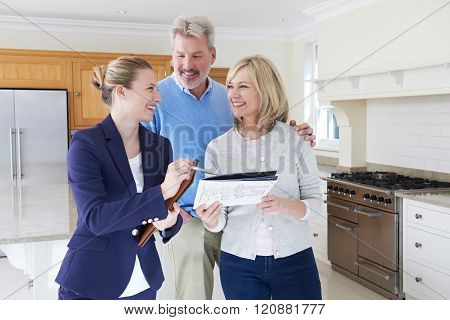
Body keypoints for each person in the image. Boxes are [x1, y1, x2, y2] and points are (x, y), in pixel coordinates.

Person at [142, 15, 317, 300]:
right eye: (180, 55)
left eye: (197, 55)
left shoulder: (229, 96)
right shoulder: (156, 98)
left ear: (212, 55)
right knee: (195, 301)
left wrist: (299, 133)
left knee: (242, 296)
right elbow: (143, 166)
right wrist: (171, 209)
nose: (187, 65)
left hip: (239, 217)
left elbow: (269, 133)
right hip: (188, 218)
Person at [56, 56, 192, 300]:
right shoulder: (86, 145)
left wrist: (170, 221)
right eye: (150, 89)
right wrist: (161, 192)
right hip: (90, 283)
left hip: (144, 283)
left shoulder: (160, 146)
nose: (158, 98)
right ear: (122, 91)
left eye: (157, 90)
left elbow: (164, 209)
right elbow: (96, 218)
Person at [196, 55, 322, 300]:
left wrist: (284, 205)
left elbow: (316, 206)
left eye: (243, 86)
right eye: (230, 86)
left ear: (265, 90)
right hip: (239, 265)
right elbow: (219, 220)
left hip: (296, 261)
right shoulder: (217, 149)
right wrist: (210, 220)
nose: (233, 94)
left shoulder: (296, 140)